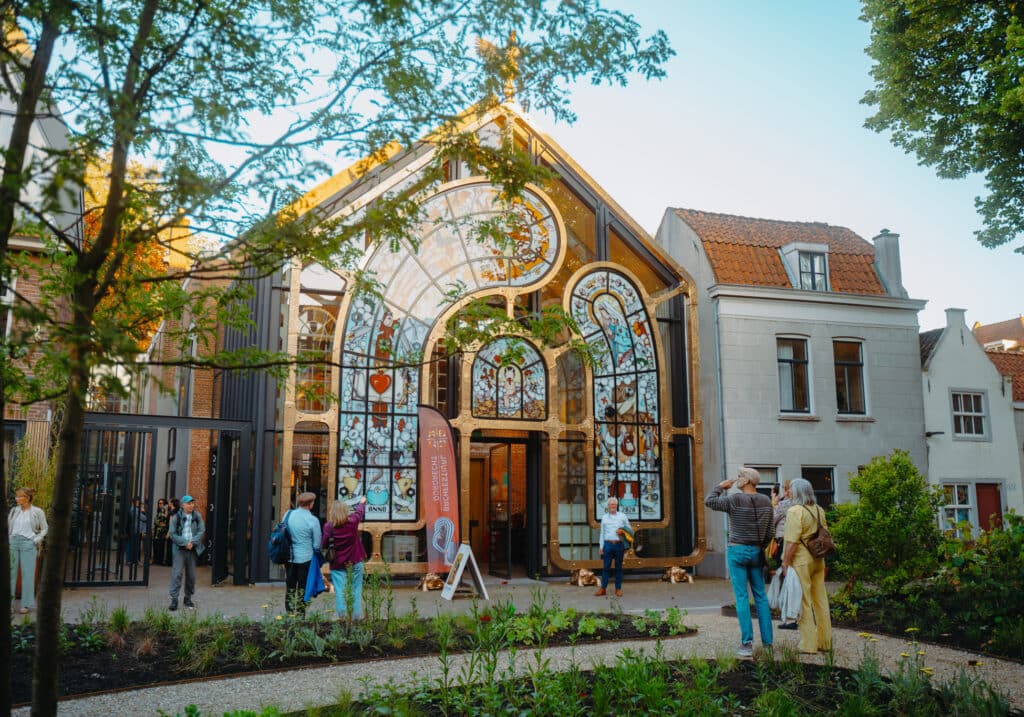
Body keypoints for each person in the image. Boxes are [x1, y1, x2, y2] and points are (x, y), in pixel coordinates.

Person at [705, 467, 774, 657]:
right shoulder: (766, 501)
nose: (737, 479)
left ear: (746, 481)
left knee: (742, 597)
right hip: (757, 551)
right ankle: (768, 644)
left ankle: (747, 644)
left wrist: (721, 487)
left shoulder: (735, 499)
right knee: (760, 597)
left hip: (737, 550)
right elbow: (770, 532)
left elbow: (709, 501)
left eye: (740, 476)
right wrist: (761, 546)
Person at [780, 478, 833, 654]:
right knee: (821, 600)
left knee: (804, 601)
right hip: (819, 559)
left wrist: (785, 563)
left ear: (797, 493)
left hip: (801, 560)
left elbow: (791, 542)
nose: (789, 493)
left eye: (791, 490)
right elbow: (825, 533)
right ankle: (825, 642)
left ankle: (808, 644)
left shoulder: (795, 511)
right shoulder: (819, 509)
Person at [322, 496, 368, 620]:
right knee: (356, 589)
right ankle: (356, 616)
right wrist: (362, 502)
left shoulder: (328, 527)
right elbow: (359, 512)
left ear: (332, 512)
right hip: (355, 561)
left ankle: (342, 617)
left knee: (340, 590)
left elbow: (324, 544)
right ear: (345, 511)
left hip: (337, 563)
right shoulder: (352, 522)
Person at [8, 487, 48, 614]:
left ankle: (25, 604)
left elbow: (45, 528)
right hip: (13, 542)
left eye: (20, 496)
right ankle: (8, 603)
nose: (17, 499)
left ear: (28, 498)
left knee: (28, 574)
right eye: (17, 496)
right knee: (10, 574)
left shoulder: (37, 511)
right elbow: (8, 526)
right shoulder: (14, 511)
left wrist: (37, 539)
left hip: (28, 543)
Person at [285, 491, 321, 616]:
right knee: (302, 587)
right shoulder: (313, 520)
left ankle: (289, 613)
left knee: (290, 587)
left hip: (289, 557)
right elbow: (317, 544)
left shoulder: (288, 515)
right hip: (306, 558)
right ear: (310, 504)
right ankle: (301, 614)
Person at [168, 495, 205, 611]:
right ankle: (174, 599)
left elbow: (201, 530)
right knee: (177, 574)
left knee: (191, 575)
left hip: (193, 549)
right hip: (180, 549)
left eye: (193, 503)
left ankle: (187, 598)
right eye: (189, 503)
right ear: (183, 505)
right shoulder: (176, 517)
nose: (192, 505)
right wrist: (185, 543)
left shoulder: (197, 516)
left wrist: (192, 543)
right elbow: (173, 533)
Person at [771, 480, 798, 630]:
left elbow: (772, 519)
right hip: (797, 545)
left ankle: (788, 616)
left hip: (784, 542)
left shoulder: (785, 504)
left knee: (786, 576)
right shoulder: (806, 505)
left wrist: (774, 503)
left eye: (785, 489)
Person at [595, 497, 631, 597]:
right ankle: (603, 589)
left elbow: (629, 529)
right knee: (606, 567)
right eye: (611, 504)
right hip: (608, 545)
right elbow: (602, 533)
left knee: (618, 568)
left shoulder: (622, 516)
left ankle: (618, 589)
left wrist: (622, 531)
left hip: (619, 545)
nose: (613, 506)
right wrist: (601, 547)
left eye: (614, 504)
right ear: (608, 506)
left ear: (617, 505)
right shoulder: (604, 517)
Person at [126, 496, 149, 565]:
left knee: (132, 545)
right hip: (136, 529)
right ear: (136, 502)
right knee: (135, 546)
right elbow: (144, 518)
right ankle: (133, 560)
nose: (140, 504)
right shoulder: (135, 510)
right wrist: (144, 512)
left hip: (134, 529)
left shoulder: (133, 509)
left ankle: (131, 560)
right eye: (139, 502)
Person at [152, 498, 170, 566]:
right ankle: (157, 560)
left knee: (160, 546)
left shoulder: (164, 511)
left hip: (162, 532)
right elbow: (156, 521)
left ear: (164, 504)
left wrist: (159, 523)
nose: (159, 504)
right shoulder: (160, 511)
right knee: (156, 545)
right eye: (159, 503)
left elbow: (158, 521)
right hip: (158, 531)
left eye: (161, 503)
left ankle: (159, 561)